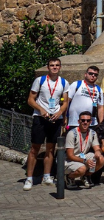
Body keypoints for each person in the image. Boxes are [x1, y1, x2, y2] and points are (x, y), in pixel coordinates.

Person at [24, 58, 69, 190]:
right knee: (35, 148)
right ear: (48, 67)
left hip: (55, 118)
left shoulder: (63, 82)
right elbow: (30, 100)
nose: (54, 68)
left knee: (51, 148)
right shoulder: (40, 81)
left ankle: (46, 176)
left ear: (60, 67)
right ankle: (29, 178)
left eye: (57, 65)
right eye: (52, 65)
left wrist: (60, 112)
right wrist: (41, 110)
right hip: (40, 117)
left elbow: (65, 102)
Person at [64, 111, 104, 189]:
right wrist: (85, 161)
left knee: (101, 159)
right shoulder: (72, 133)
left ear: (91, 122)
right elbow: (70, 156)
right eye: (83, 120)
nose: (85, 122)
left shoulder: (92, 133)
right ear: (78, 121)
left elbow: (97, 148)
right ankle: (69, 177)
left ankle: (86, 176)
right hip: (70, 160)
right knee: (82, 168)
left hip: (83, 156)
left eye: (88, 120)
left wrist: (98, 152)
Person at [66, 66, 103, 130]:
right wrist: (65, 118)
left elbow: (100, 107)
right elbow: (67, 101)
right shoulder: (76, 84)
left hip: (92, 123)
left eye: (95, 75)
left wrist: (101, 124)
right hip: (75, 122)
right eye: (90, 74)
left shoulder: (99, 89)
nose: (93, 76)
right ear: (85, 74)